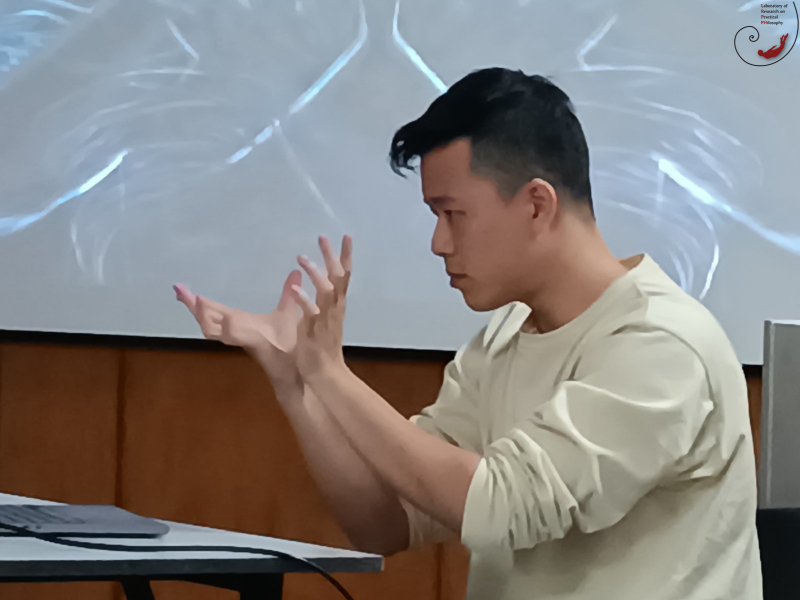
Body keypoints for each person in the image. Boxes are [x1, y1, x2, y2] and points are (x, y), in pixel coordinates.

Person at [174, 68, 762, 599]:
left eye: (453, 213)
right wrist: (297, 383)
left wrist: (330, 373)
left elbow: (500, 507)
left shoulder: (660, 341)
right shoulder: (504, 338)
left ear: (537, 205)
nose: (438, 242)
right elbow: (386, 523)